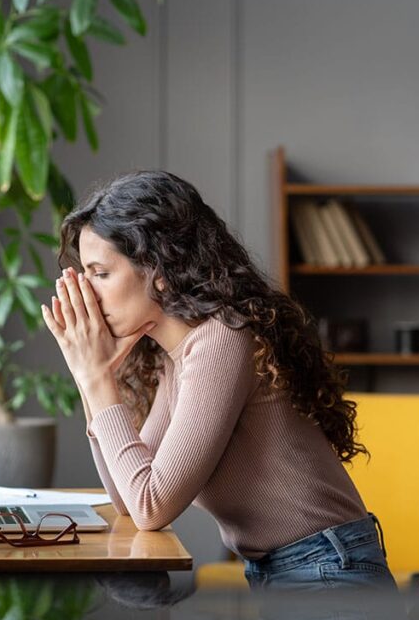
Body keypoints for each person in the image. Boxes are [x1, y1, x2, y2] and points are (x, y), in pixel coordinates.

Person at [40, 171, 399, 596]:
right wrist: (91, 377)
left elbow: (150, 505)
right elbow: (127, 498)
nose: (88, 293)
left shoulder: (222, 339)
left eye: (100, 273)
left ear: (159, 270)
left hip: (328, 574)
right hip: (297, 574)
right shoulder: (179, 358)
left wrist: (96, 377)